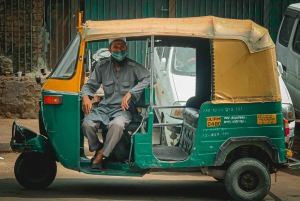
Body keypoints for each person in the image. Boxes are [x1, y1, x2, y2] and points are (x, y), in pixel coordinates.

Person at [81, 38, 150, 172]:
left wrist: (131, 93)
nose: (119, 51)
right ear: (110, 50)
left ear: (126, 49)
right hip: (105, 108)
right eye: (116, 47)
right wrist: (85, 97)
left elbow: (150, 78)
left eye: (122, 47)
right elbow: (89, 85)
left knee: (117, 125)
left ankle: (101, 155)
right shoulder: (102, 66)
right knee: (86, 124)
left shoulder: (133, 67)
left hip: (124, 109)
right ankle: (98, 148)